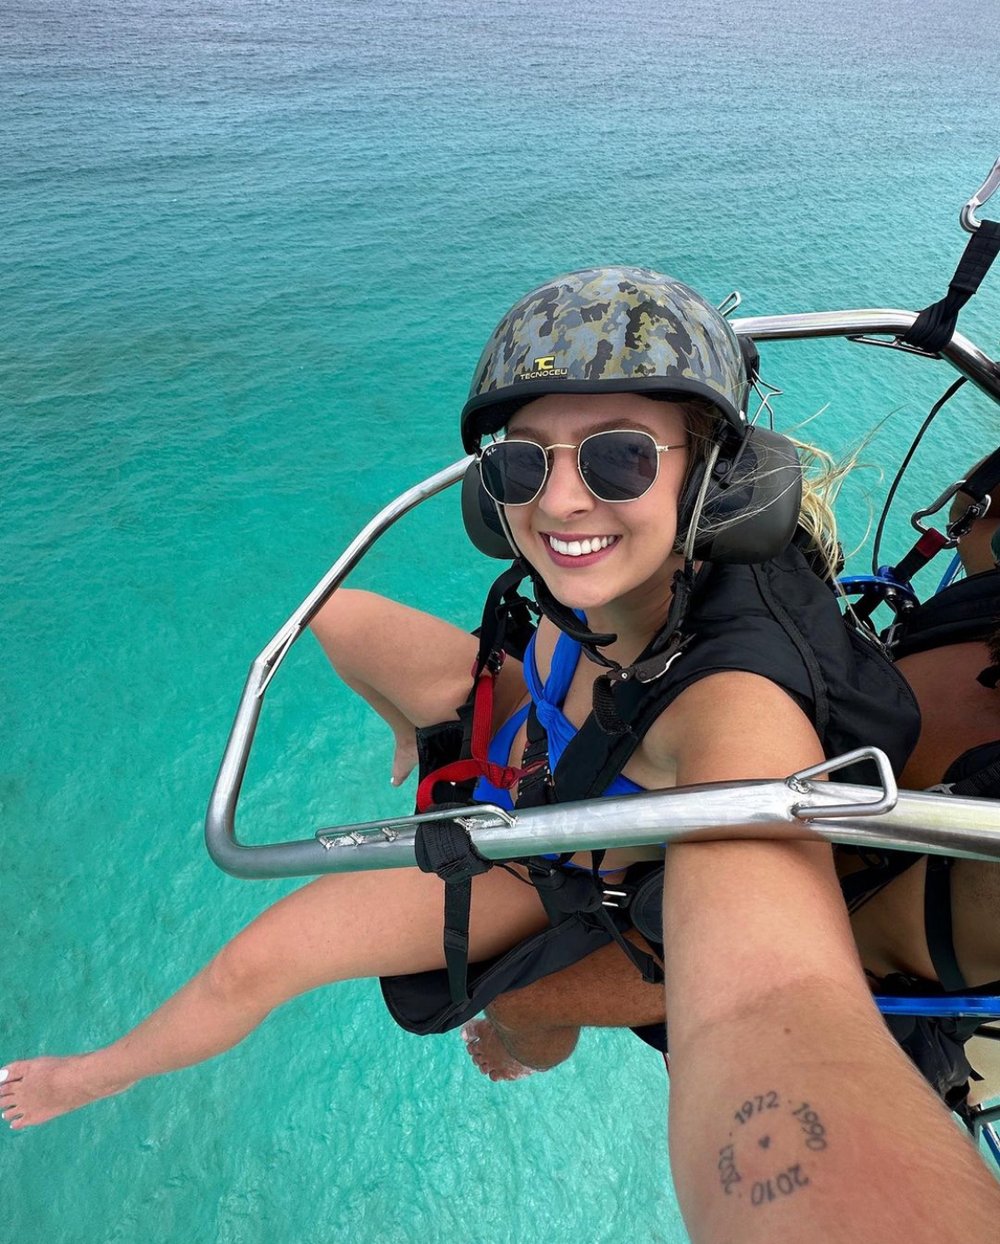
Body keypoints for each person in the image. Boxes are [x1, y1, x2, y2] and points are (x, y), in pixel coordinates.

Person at [465, 475, 1000, 1115]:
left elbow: (973, 513)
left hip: (841, 957)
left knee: (518, 997)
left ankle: (526, 1048)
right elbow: (974, 512)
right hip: (772, 810)